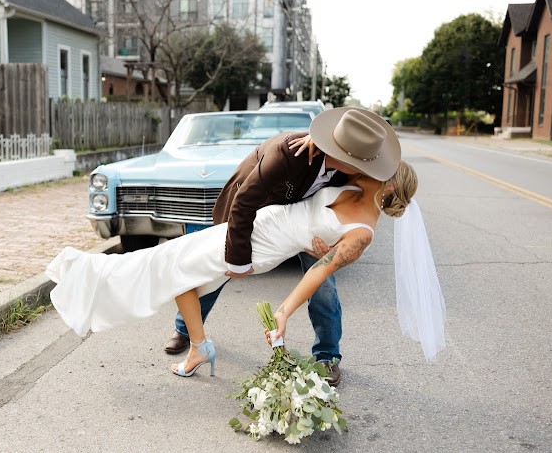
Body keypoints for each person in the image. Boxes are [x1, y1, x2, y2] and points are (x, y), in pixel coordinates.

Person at [46, 108, 445, 376]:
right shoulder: (346, 176)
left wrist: (283, 310)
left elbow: (319, 273)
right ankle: (197, 344)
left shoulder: (360, 222)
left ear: (386, 186)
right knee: (174, 269)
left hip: (266, 245)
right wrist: (317, 141)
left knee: (166, 265)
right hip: (257, 221)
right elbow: (256, 202)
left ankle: (325, 354)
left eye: (372, 167)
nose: (367, 168)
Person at [165, 107, 400, 386]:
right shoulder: (292, 152)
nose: (366, 170)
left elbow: (389, 176)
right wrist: (238, 262)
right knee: (219, 267)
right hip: (257, 211)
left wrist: (335, 247)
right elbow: (244, 202)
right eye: (358, 162)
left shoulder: (356, 170)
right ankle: (186, 330)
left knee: (323, 285)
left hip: (312, 224)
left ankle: (327, 355)